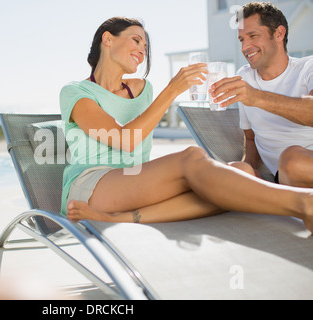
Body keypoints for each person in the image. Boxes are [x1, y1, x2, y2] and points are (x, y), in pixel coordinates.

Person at [59, 17, 313, 232]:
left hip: (137, 186)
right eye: (136, 40)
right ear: (108, 39)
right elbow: (125, 140)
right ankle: (303, 202)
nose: (142, 50)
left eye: (146, 46)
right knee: (191, 156)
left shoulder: (142, 89)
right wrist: (173, 89)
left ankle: (122, 218)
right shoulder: (75, 91)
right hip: (92, 187)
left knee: (241, 173)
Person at [210, 2, 313, 188]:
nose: (245, 47)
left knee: (292, 160)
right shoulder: (245, 77)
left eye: (253, 36)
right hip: (279, 180)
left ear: (279, 34)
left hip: (304, 166)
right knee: (230, 172)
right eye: (241, 39)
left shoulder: (308, 67)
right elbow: (251, 138)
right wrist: (247, 169)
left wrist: (256, 97)